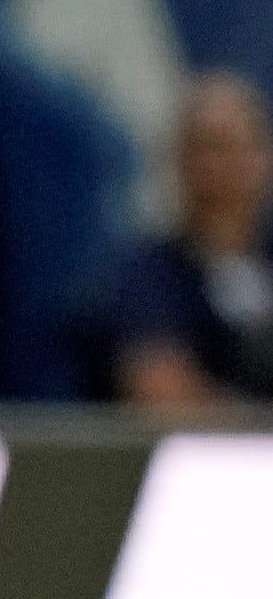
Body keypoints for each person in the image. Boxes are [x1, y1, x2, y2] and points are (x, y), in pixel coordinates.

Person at [107, 70, 273, 405]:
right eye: (199, 149)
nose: (213, 166)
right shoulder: (145, 279)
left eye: (227, 148)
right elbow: (162, 395)